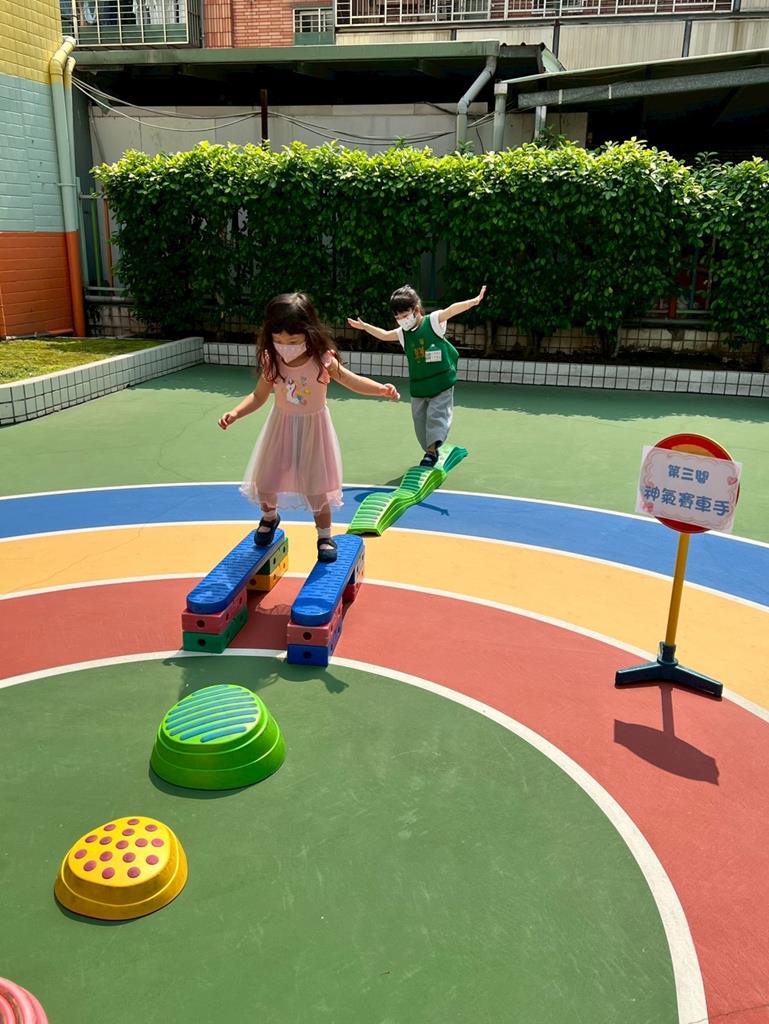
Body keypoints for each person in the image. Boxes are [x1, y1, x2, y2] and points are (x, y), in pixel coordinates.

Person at [219, 292, 399, 563]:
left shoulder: (322, 360)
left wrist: (381, 390)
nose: (285, 346)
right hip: (280, 428)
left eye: (293, 341)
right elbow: (258, 396)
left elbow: (351, 380)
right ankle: (269, 517)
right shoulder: (272, 359)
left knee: (317, 486)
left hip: (314, 431)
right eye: (278, 340)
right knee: (266, 480)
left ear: (309, 333)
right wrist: (235, 413)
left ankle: (324, 536)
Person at [347, 284, 486, 467]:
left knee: (437, 416)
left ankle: (431, 451)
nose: (402, 320)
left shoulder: (433, 322)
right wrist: (365, 326)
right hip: (419, 387)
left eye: (405, 315)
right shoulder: (403, 334)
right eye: (398, 318)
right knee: (420, 424)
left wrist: (473, 301)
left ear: (416, 309)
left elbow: (451, 310)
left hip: (441, 383)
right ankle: (430, 448)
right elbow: (384, 335)